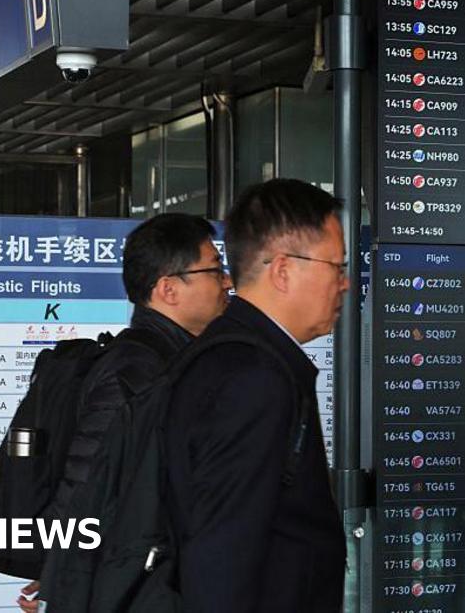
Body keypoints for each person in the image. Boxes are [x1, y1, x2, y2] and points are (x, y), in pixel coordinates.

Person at [18, 212, 230, 612]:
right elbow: (83, 483)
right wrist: (60, 577)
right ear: (168, 289)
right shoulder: (136, 372)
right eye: (215, 271)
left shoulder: (173, 361)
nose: (228, 282)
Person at [165, 179, 349, 612]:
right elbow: (220, 555)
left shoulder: (233, 354)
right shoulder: (253, 379)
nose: (344, 284)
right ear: (283, 270)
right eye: (336, 267)